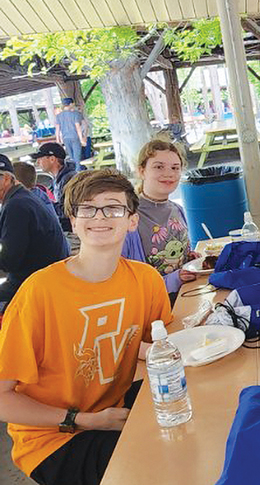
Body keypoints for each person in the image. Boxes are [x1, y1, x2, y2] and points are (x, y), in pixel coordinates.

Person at [0, 168, 173, 485]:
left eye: (113, 208)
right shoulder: (39, 292)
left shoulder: (146, 280)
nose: (100, 217)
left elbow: (156, 346)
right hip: (52, 438)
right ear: (73, 221)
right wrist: (85, 420)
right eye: (88, 208)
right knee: (159, 467)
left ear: (132, 220)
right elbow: (2, 397)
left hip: (111, 410)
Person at [122, 139, 197, 300]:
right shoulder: (128, 218)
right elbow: (125, 281)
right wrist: (174, 279)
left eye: (175, 168)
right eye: (159, 167)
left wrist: (190, 259)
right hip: (155, 305)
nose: (168, 173)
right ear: (141, 171)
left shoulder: (178, 209)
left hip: (187, 296)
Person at [0, 156, 69, 312]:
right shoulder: (22, 198)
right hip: (43, 277)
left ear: (6, 179)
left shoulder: (16, 205)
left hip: (36, 285)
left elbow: (10, 261)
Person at [31, 142, 77, 232]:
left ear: (52, 159)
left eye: (40, 158)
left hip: (70, 229)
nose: (37, 162)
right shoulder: (59, 178)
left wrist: (44, 203)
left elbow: (67, 211)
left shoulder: (69, 179)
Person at [55, 97, 86, 164]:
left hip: (65, 138)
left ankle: (74, 169)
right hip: (75, 137)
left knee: (71, 157)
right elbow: (78, 127)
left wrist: (58, 140)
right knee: (77, 157)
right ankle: (78, 169)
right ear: (71, 104)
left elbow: (57, 129)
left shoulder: (58, 116)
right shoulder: (75, 114)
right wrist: (81, 139)